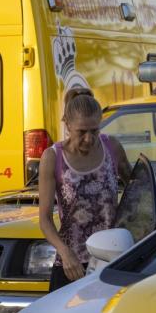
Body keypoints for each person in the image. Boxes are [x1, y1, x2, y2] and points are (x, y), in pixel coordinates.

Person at [39, 88, 130, 292]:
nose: (89, 138)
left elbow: (137, 192)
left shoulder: (112, 148)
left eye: (94, 130)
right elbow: (44, 220)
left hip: (112, 261)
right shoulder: (53, 157)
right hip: (72, 265)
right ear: (68, 125)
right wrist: (64, 252)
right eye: (82, 132)